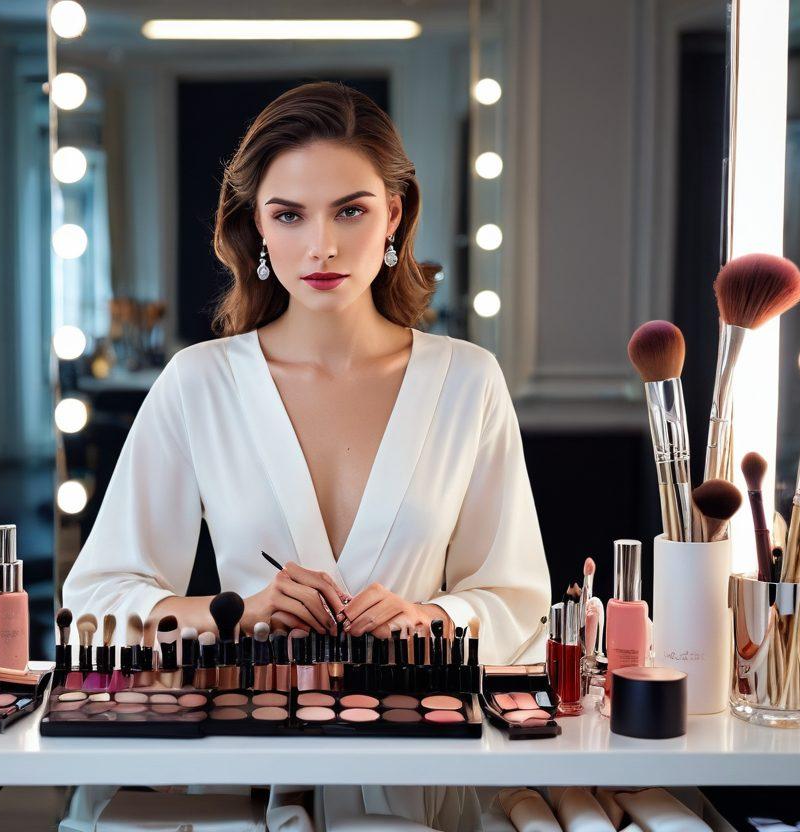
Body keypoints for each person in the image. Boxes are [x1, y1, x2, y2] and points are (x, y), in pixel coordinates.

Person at [62, 82, 550, 830]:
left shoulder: (467, 383)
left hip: (422, 768)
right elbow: (95, 602)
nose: (321, 245)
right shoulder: (200, 383)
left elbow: (519, 604)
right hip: (251, 768)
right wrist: (234, 616)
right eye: (288, 215)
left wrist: (431, 619)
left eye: (350, 210)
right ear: (256, 228)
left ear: (394, 214)